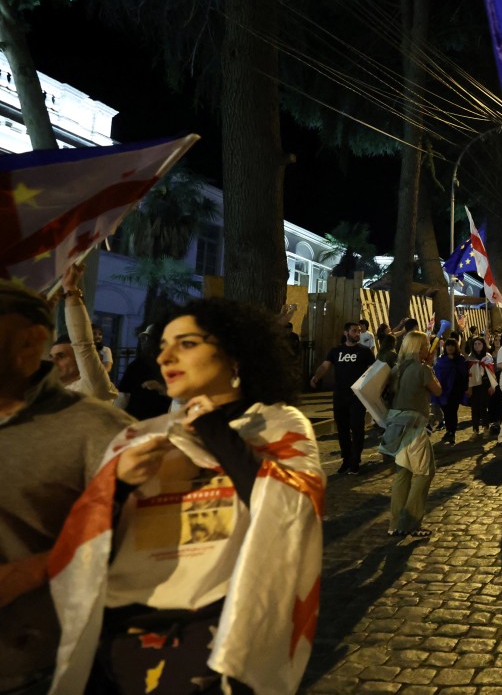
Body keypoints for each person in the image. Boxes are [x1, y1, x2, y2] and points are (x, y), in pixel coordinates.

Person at [48, 297, 325, 693]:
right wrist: (118, 483)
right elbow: (85, 543)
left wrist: (212, 429)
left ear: (235, 354)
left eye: (187, 343)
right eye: (162, 346)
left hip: (218, 633)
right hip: (122, 637)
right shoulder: (139, 437)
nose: (165, 357)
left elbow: (290, 511)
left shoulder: (280, 427)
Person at [0, 280, 133, 694]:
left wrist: (33, 570)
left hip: (43, 668)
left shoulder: (97, 426)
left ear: (29, 342)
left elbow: (149, 541)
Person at [382, 331, 441, 540]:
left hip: (395, 425)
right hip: (414, 425)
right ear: (419, 348)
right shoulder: (422, 369)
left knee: (403, 473)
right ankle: (410, 523)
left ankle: (395, 524)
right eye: (425, 345)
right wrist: (430, 366)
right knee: (425, 472)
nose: (428, 349)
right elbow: (438, 390)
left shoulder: (396, 369)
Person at [310, 321, 375, 474]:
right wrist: (316, 377)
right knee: (342, 429)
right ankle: (346, 459)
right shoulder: (336, 351)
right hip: (340, 395)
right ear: (346, 333)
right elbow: (325, 366)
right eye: (354, 331)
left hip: (357, 396)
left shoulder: (365, 351)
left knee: (357, 428)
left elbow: (372, 370)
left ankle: (355, 460)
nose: (357, 334)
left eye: (358, 331)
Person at [48, 263, 119, 403]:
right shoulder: (47, 391)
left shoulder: (92, 387)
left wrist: (70, 289)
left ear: (80, 361)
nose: (52, 362)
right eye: (51, 356)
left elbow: (83, 344)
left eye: (61, 356)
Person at [115, 326, 173, 420]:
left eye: (148, 339)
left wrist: (161, 388)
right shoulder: (137, 364)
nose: (144, 342)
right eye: (143, 338)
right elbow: (123, 395)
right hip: (137, 419)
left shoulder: (172, 366)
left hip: (158, 420)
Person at [432, 338, 469, 444]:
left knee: (452, 411)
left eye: (452, 345)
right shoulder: (441, 359)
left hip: (455, 390)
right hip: (443, 390)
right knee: (446, 411)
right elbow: (437, 373)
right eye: (448, 345)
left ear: (456, 347)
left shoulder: (460, 359)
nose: (450, 347)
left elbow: (464, 374)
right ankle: (449, 431)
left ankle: (451, 432)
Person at [466, 337, 497, 437]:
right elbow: (468, 374)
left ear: (483, 345)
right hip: (474, 385)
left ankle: (486, 428)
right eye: (475, 344)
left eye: (479, 344)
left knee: (484, 407)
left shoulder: (488, 357)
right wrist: (469, 387)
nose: (477, 346)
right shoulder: (470, 358)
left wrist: (492, 386)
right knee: (474, 408)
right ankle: (475, 430)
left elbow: (491, 372)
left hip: (485, 385)